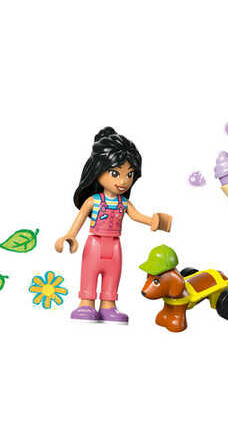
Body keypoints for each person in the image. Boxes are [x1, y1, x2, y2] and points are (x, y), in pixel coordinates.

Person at [54, 127, 172, 324]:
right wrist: (69, 236)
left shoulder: (123, 203)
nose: (123, 181)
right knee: (89, 273)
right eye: (115, 173)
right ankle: (86, 303)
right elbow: (80, 219)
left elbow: (136, 216)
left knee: (113, 274)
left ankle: (108, 305)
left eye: (129, 174)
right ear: (97, 170)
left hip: (115, 246)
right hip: (94, 244)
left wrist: (153, 221)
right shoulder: (93, 201)